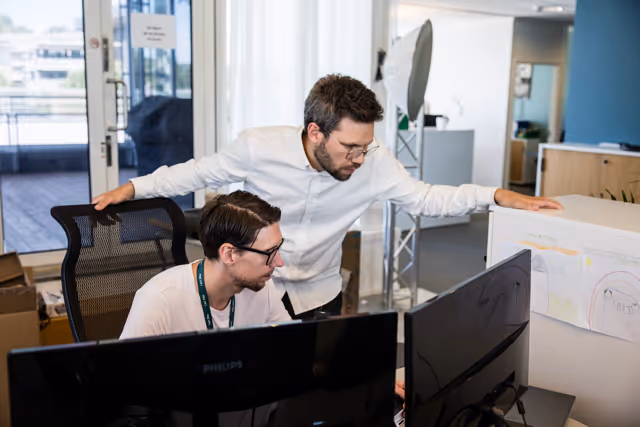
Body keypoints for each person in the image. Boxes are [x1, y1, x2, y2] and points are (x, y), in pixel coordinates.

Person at [96, 74, 562, 321]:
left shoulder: (374, 162)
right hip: (261, 291)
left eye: (366, 146)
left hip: (321, 293)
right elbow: (198, 170)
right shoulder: (261, 146)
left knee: (318, 394)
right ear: (315, 132)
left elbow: (426, 198)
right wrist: (135, 187)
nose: (360, 158)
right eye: (350, 147)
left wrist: (498, 195)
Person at [120, 191, 291, 339]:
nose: (279, 262)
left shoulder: (263, 288)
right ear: (229, 254)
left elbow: (292, 349)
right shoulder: (158, 299)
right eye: (269, 253)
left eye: (278, 249)